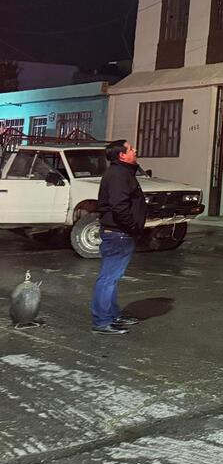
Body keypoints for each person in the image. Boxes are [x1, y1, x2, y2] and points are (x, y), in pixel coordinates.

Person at [90, 139, 146, 335]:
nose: (135, 150)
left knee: (112, 278)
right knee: (108, 278)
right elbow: (119, 205)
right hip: (118, 233)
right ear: (122, 155)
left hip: (119, 233)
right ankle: (102, 320)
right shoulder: (118, 175)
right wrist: (132, 226)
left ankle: (112, 315)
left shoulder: (122, 173)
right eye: (131, 148)